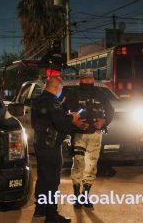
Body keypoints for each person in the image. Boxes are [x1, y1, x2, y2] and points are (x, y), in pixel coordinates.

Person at [31, 76, 81, 223]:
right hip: (51, 146)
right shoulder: (53, 103)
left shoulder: (37, 101)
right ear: (56, 88)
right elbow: (62, 126)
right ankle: (51, 216)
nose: (60, 91)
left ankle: (40, 209)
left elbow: (44, 120)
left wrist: (66, 117)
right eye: (60, 89)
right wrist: (73, 120)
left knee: (43, 179)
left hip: (40, 144)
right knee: (52, 181)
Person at [63, 69, 114, 210]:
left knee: (91, 166)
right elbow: (64, 111)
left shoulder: (101, 94)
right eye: (85, 78)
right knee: (79, 163)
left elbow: (110, 111)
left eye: (90, 78)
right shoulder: (72, 94)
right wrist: (75, 122)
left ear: (93, 79)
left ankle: (85, 195)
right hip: (79, 134)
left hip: (96, 134)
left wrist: (104, 122)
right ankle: (77, 197)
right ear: (80, 79)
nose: (87, 81)